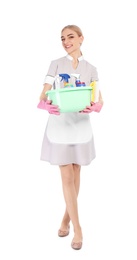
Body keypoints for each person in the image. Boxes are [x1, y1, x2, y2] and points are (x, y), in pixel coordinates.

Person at [37, 25, 103, 250]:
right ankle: (78, 228)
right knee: (66, 176)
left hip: (81, 125)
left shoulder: (92, 69)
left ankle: (66, 219)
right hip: (60, 125)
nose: (66, 41)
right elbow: (43, 94)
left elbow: (98, 98)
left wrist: (96, 107)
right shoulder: (56, 63)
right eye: (63, 38)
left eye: (71, 37)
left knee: (75, 173)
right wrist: (45, 104)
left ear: (82, 38)